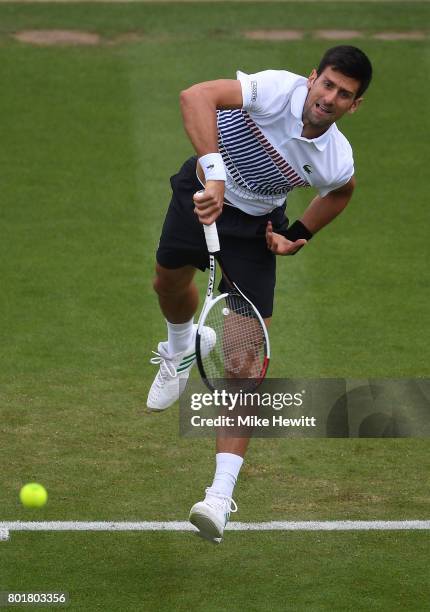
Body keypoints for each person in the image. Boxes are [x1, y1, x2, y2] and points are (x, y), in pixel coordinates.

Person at [147, 45, 372, 542]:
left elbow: (341, 190)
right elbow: (196, 96)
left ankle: (219, 496)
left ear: (354, 106)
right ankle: (181, 347)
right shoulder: (274, 90)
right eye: (327, 84)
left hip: (254, 229)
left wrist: (300, 232)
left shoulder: (335, 157)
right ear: (312, 78)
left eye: (344, 94)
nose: (329, 98)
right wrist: (216, 175)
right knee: (167, 282)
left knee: (246, 362)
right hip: (204, 192)